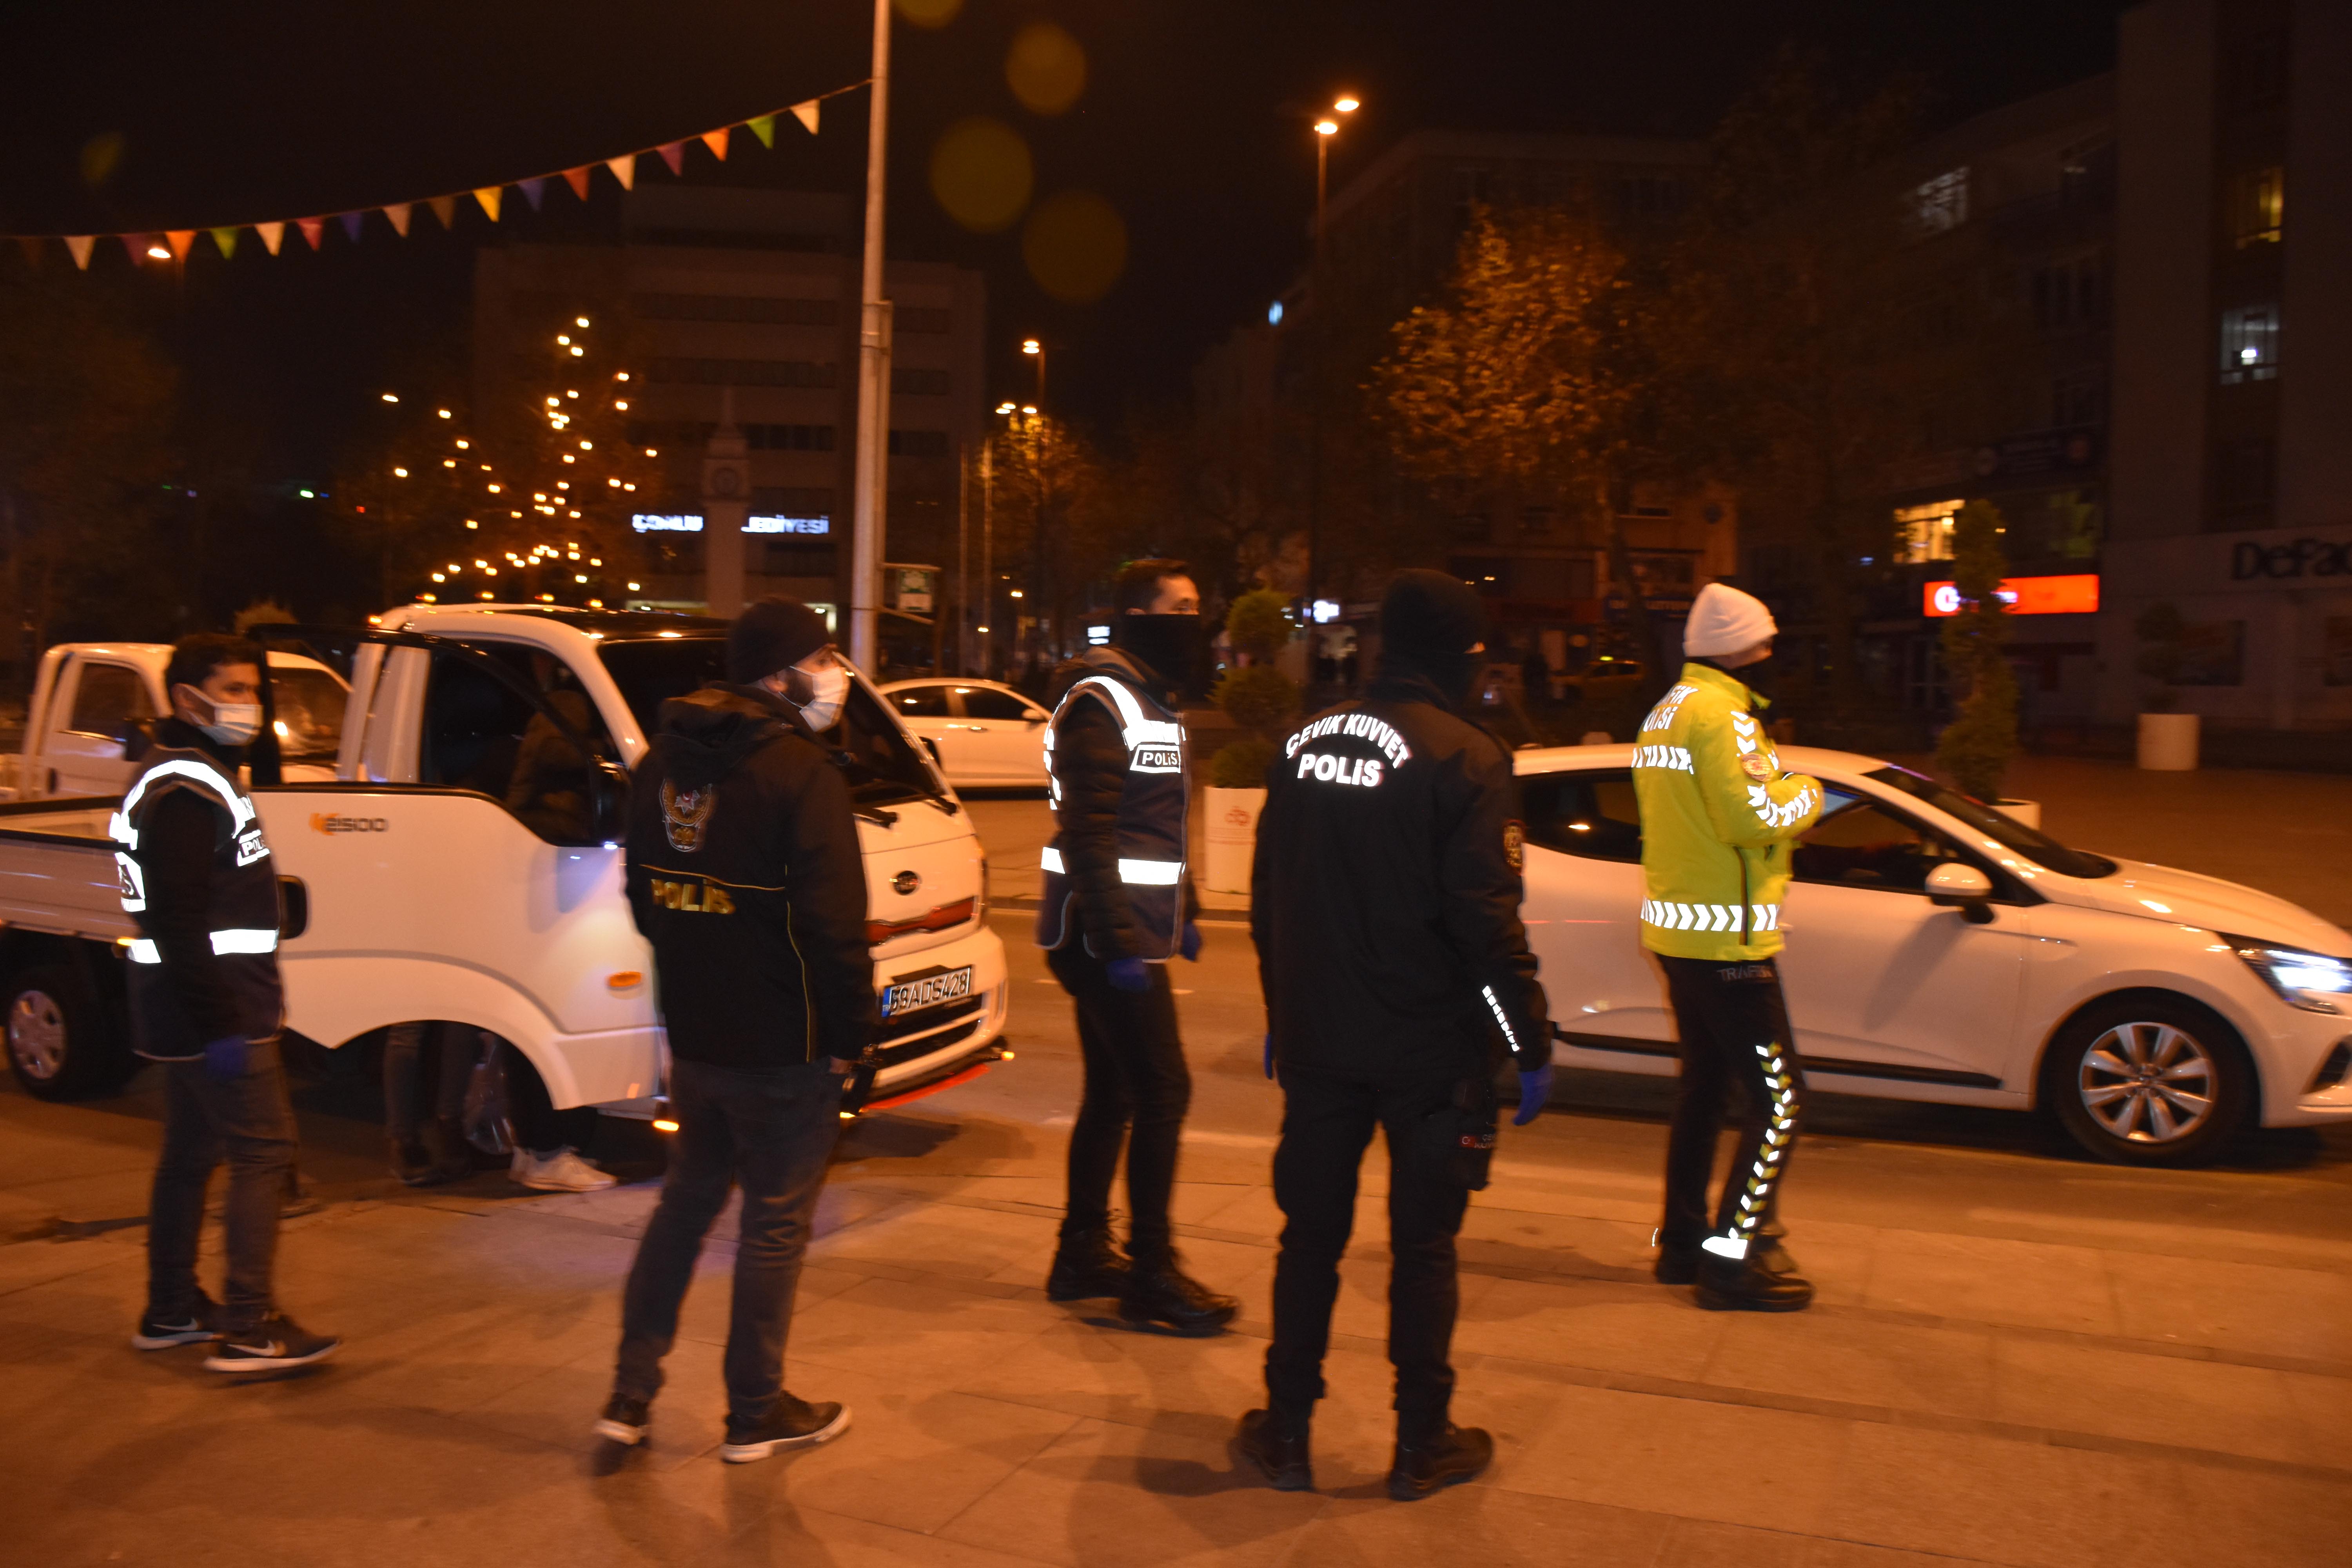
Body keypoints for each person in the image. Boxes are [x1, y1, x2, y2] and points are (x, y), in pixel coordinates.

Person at [1236, 570, 1553, 1501]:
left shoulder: (1302, 744)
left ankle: (1286, 1429)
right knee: (1423, 1250)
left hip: (1321, 1043)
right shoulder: (1468, 757)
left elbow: (1269, 903)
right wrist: (1525, 1043)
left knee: (1310, 1239)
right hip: (1429, 1057)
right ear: (1463, 655)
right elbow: (1485, 928)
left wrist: (1280, 1013)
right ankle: (1422, 1440)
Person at [599, 597, 873, 1464]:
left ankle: (629, 1392)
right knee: (773, 1223)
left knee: (684, 1207)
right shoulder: (801, 770)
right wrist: (850, 1030)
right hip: (785, 1041)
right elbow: (834, 923)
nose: (835, 674)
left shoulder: (660, 764)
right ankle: (755, 1410)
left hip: (699, 1033)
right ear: (779, 673)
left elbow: (644, 896)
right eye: (822, 657)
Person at [118, 633, 339, 1372]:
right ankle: (248, 1327)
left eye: (253, 690)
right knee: (263, 1151)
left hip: (187, 1007)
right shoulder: (186, 786)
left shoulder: (185, 773)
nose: (250, 705)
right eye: (237, 690)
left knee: (190, 1153)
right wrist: (222, 1025)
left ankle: (171, 1309)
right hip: (217, 1010)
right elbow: (177, 916)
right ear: (188, 698)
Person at [1035, 559, 1235, 1336]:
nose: (1194, 619)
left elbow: (1152, 822)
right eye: (1180, 607)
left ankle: (1082, 1251)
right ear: (1139, 613)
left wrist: (1184, 907)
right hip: (1100, 933)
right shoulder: (1101, 699)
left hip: (1123, 928)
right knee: (1163, 1088)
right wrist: (1121, 943)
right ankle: (1151, 1270)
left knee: (1118, 1091)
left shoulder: (1149, 694)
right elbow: (1090, 831)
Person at [1632, 582, 1824, 1311]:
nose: (1773, 660)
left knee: (1705, 1090)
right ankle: (1734, 1259)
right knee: (1781, 1099)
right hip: (1729, 943)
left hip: (1679, 934)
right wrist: (1807, 793)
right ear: (1745, 652)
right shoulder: (1726, 719)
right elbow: (1753, 815)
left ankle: (1681, 1245)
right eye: (1767, 648)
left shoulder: (1666, 713)